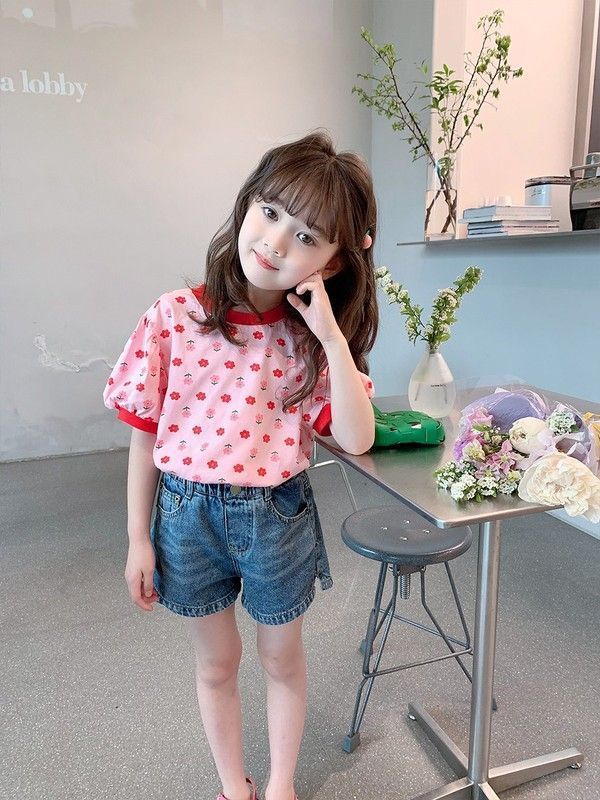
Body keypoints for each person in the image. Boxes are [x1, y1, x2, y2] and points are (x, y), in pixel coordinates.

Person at [103, 130, 379, 800]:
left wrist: (332, 337)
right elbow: (144, 436)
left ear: (333, 264)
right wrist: (138, 539)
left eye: (307, 237)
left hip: (275, 517)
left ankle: (280, 785)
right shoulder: (175, 316)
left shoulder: (308, 341)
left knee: (281, 659)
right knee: (216, 663)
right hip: (185, 514)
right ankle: (235, 786)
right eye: (271, 212)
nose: (276, 243)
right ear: (248, 202)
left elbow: (357, 437)